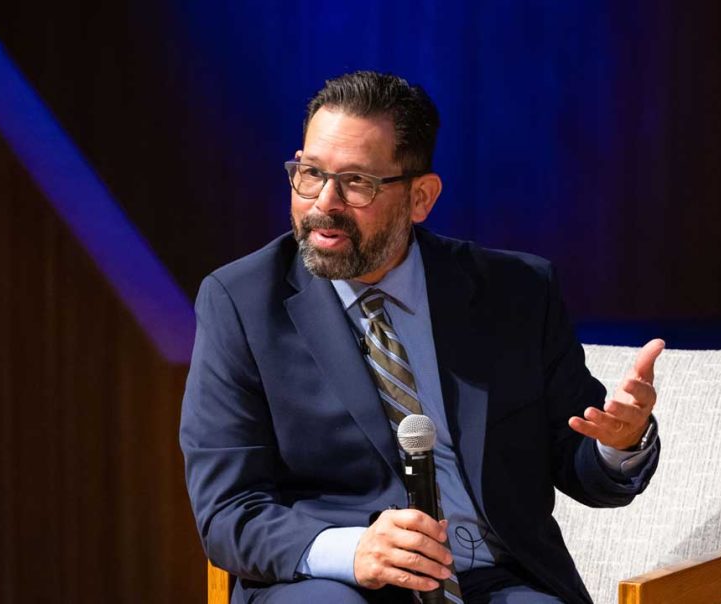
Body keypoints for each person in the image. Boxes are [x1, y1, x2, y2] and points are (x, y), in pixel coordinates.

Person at [180, 71, 663, 604]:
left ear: (421, 198)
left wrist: (619, 443)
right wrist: (353, 550)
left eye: (356, 182)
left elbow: (580, 462)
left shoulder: (516, 292)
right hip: (332, 582)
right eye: (311, 173)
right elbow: (228, 511)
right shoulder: (241, 302)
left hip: (493, 580)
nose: (324, 203)